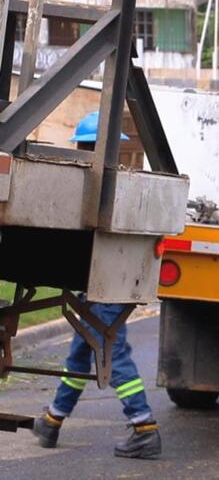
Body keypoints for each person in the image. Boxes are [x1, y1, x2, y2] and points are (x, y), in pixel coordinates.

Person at [31, 112, 161, 460]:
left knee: (110, 352)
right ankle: (53, 419)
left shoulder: (95, 186)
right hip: (106, 281)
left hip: (106, 284)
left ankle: (144, 427)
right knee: (81, 351)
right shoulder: (116, 183)